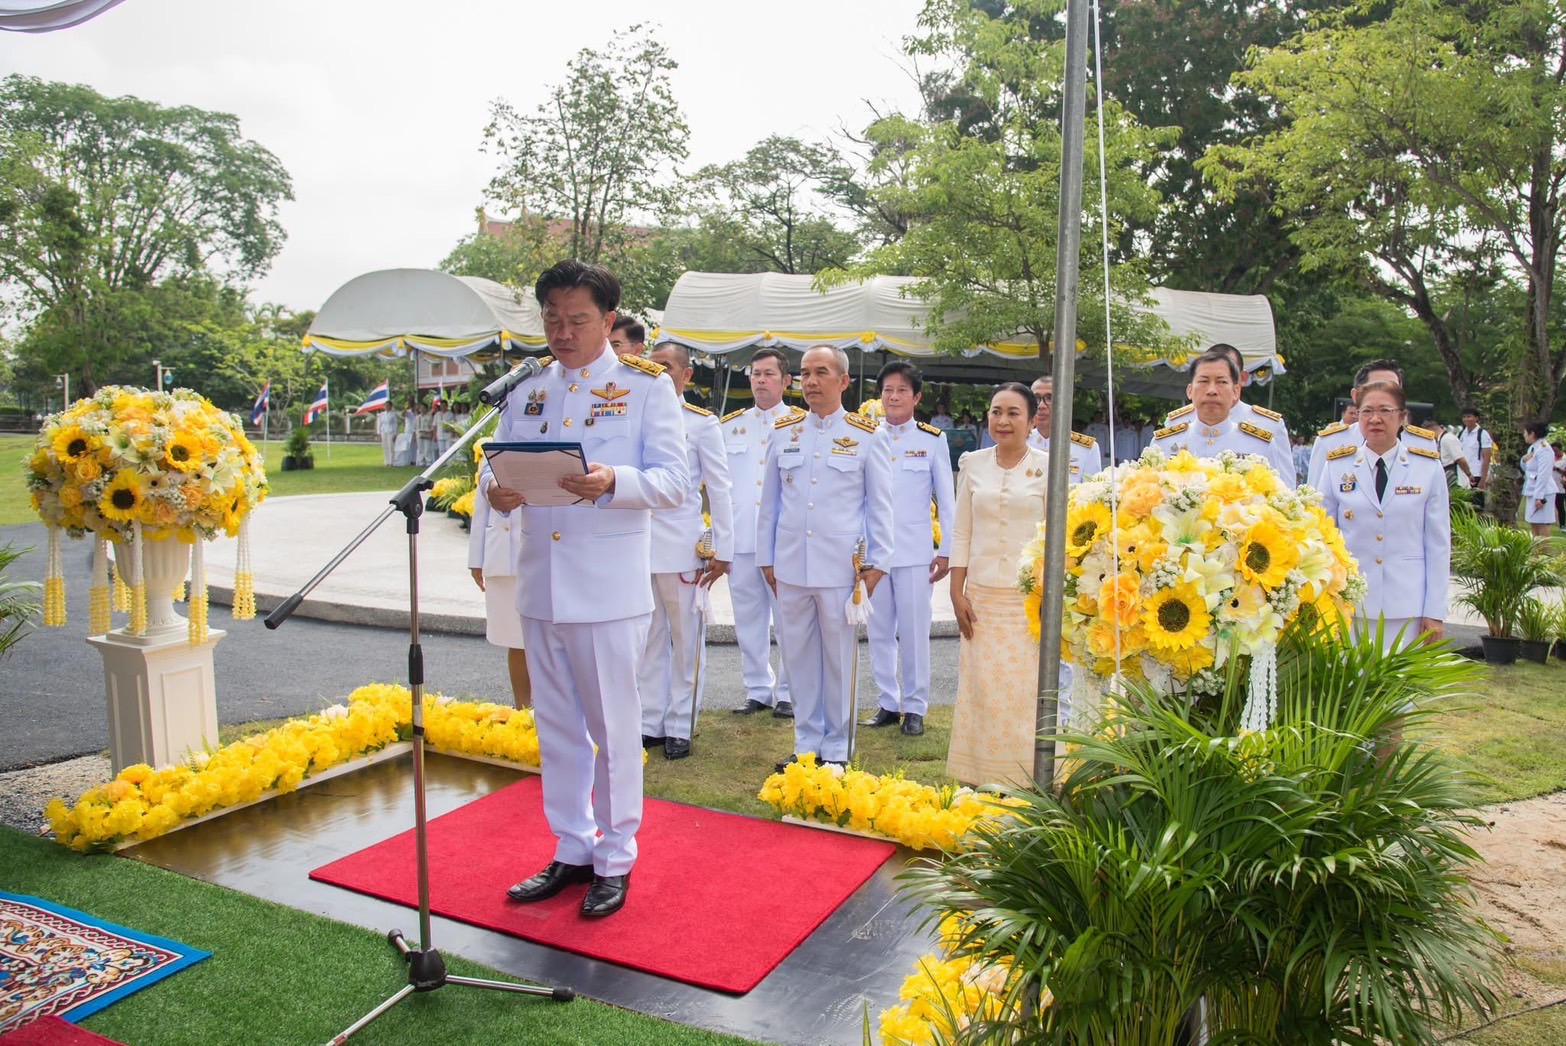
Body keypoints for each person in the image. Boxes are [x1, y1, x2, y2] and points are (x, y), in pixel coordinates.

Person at [480, 259, 688, 918]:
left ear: (607, 321)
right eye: (552, 319)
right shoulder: (527, 386)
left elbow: (676, 484)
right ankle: (572, 846)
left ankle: (616, 857)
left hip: (605, 589)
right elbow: (497, 471)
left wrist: (614, 482)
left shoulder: (646, 386)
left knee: (614, 729)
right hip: (542, 585)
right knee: (559, 728)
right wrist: (498, 491)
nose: (562, 332)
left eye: (576, 320)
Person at [757, 344, 893, 771]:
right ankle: (806, 744)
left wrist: (877, 564)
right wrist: (767, 560)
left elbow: (880, 507)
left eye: (821, 372)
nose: (810, 381)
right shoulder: (784, 431)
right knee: (796, 659)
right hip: (791, 567)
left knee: (838, 659)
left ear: (844, 381)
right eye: (804, 373)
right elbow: (770, 504)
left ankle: (838, 747)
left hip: (841, 570)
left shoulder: (869, 435)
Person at [947, 382, 1052, 787]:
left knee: (1025, 694)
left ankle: (1026, 780)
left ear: (1031, 419)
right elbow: (961, 532)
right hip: (982, 599)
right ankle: (980, 776)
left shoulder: (1048, 465)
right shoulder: (972, 464)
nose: (1003, 420)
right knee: (982, 690)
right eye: (995, 412)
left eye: (1013, 413)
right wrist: (957, 592)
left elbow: (1054, 537)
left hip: (1029, 599)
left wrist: (1048, 593)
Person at [637, 343, 734, 760]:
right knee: (649, 638)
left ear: (685, 376)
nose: (656, 373)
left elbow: (720, 486)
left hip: (681, 545)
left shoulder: (699, 423)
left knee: (686, 638)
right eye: (650, 367)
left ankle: (680, 723)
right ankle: (650, 721)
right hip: (640, 545)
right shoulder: (636, 415)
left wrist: (724, 546)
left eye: (665, 367)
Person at [1316, 380, 1448, 650]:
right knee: (1350, 684)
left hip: (1407, 606)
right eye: (1366, 411)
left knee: (1400, 686)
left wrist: (1435, 611)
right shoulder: (1337, 466)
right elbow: (1322, 535)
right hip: (1350, 602)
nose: (1375, 419)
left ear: (1402, 417)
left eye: (1385, 411)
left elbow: (1438, 545)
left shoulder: (1427, 467)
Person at [861, 361, 954, 737]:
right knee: (879, 629)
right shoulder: (865, 435)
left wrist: (947, 549)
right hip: (873, 554)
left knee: (915, 633)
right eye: (887, 390)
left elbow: (946, 500)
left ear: (916, 397)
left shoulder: (931, 439)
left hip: (916, 553)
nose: (893, 397)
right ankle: (887, 702)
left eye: (901, 390)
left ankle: (915, 707)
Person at [723, 347, 804, 717]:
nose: (760, 380)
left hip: (783, 542)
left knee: (789, 620)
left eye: (769, 374)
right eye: (755, 373)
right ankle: (757, 689)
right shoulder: (730, 425)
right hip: (742, 538)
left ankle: (789, 690)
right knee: (748, 620)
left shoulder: (801, 424)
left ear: (786, 381)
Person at [1307, 360, 1438, 488]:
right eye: (1376, 388)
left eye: (1392, 390)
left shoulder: (1423, 444)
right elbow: (1316, 501)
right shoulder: (1330, 443)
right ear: (1356, 396)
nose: (1384, 396)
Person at [467, 480, 531, 710]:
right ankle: (522, 710)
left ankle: (555, 714)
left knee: (552, 643)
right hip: (503, 555)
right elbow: (482, 502)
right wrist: (476, 559)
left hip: (544, 553)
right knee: (516, 640)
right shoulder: (494, 444)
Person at [1150, 351, 1276, 460]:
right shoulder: (1163, 443)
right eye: (1203, 381)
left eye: (1221, 382)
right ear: (1190, 391)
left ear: (1236, 391)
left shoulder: (1260, 445)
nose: (1212, 390)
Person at [1202, 343, 1296, 481]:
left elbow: (1285, 488)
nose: (1214, 386)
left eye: (1224, 378)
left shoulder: (1269, 426)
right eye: (1207, 377)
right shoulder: (1179, 422)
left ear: (1243, 378)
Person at [1027, 375, 1100, 484]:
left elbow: (1092, 493)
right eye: (1036, 398)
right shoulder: (1020, 442)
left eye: (1049, 398)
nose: (1041, 405)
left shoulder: (1087, 448)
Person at [1521, 422, 1559, 537]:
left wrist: (1539, 496)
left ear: (1532, 433)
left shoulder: (1544, 449)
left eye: (1525, 433)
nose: (1524, 435)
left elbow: (1543, 474)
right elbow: (1527, 468)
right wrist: (1524, 459)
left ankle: (1544, 554)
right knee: (1533, 523)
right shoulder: (1533, 448)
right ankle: (1536, 553)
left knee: (1541, 524)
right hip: (1532, 488)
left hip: (1543, 491)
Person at [1459, 407, 1494, 508]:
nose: (1466, 419)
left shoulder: (1482, 434)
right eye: (1464, 417)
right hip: (1464, 474)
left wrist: (1483, 479)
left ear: (1476, 418)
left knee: (1476, 505)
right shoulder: (1462, 434)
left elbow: (1487, 458)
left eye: (1469, 417)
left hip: (1476, 473)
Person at [377, 397, 399, 466]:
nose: (387, 407)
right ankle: (386, 462)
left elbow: (395, 424)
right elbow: (380, 424)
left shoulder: (393, 414)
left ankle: (391, 462)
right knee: (385, 447)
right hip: (384, 431)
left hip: (391, 431)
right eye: (385, 406)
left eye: (388, 406)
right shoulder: (382, 414)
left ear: (391, 406)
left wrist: (395, 433)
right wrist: (379, 433)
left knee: (391, 447)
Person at [414, 401, 435, 466]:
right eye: (421, 408)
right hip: (419, 434)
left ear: (426, 409)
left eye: (423, 408)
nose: (422, 409)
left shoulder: (429, 416)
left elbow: (432, 426)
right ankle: (421, 462)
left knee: (427, 448)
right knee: (420, 449)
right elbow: (415, 427)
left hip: (427, 433)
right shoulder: (418, 417)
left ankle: (428, 462)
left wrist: (431, 434)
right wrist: (415, 435)